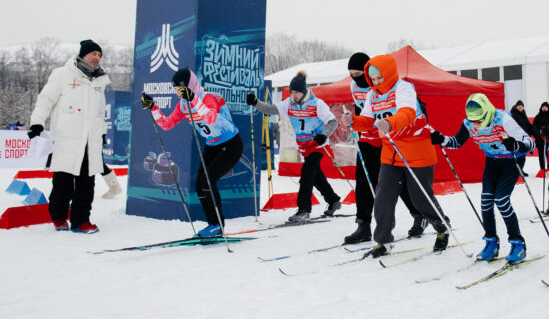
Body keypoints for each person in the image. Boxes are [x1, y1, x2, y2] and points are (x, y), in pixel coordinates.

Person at [340, 54, 451, 257]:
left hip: (416, 148)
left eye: (379, 78)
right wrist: (352, 121)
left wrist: (391, 123)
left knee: (420, 197)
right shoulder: (373, 95)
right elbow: (366, 119)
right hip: (391, 151)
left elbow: (408, 113)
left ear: (389, 74)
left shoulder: (403, 88)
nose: (375, 83)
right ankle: (383, 241)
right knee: (383, 196)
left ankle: (442, 227)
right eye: (372, 80)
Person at [431, 93, 534, 264]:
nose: (476, 125)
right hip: (492, 160)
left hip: (511, 160)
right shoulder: (469, 122)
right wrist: (442, 139)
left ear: (487, 113)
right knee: (486, 200)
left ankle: (518, 243)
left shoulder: (504, 119)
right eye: (473, 121)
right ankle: (491, 242)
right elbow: (457, 142)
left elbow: (529, 143)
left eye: (479, 121)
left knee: (501, 199)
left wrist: (516, 145)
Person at [142, 68, 243, 237]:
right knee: (200, 186)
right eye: (175, 90)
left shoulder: (207, 97)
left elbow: (211, 118)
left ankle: (217, 225)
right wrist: (153, 108)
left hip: (231, 144)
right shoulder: (183, 104)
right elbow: (167, 124)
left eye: (179, 90)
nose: (177, 94)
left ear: (189, 86)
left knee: (208, 181)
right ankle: (211, 224)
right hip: (213, 145)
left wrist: (194, 100)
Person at [28, 40, 110, 233]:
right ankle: (58, 217)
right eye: (93, 53)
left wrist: (103, 132)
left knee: (86, 184)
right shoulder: (62, 74)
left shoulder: (100, 81)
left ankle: (81, 221)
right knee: (63, 184)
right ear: (83, 55)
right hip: (66, 138)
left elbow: (100, 112)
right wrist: (37, 122)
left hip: (90, 141)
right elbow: (46, 99)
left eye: (99, 55)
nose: (97, 57)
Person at [247, 71, 342, 222]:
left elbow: (333, 122)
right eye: (292, 92)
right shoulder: (288, 103)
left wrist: (324, 134)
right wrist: (255, 102)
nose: (294, 95)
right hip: (303, 146)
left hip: (317, 145)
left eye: (297, 92)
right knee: (316, 177)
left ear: (304, 91)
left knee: (306, 174)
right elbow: (270, 109)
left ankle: (304, 210)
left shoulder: (317, 103)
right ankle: (333, 200)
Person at [509, 101, 536, 176]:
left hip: (524, 137)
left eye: (521, 106)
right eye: (519, 106)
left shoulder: (523, 114)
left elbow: (527, 125)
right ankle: (517, 171)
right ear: (516, 106)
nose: (520, 107)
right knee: (518, 155)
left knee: (522, 155)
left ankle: (520, 170)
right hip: (517, 138)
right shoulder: (513, 114)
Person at [532, 102, 549, 172]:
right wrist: (538, 134)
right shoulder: (537, 117)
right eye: (543, 107)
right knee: (541, 154)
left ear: (548, 108)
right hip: (540, 139)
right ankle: (542, 169)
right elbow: (534, 127)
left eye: (545, 107)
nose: (544, 108)